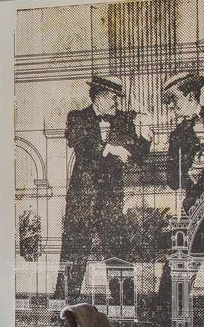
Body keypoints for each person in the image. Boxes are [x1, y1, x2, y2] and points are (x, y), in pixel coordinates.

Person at [53, 75, 150, 300]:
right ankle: (63, 304)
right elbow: (80, 141)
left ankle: (125, 302)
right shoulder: (78, 117)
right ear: (99, 96)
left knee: (118, 251)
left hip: (110, 200)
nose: (116, 103)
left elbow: (137, 156)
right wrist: (109, 148)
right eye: (114, 98)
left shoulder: (123, 121)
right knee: (74, 251)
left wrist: (146, 137)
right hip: (82, 199)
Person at [164, 73, 204, 213]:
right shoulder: (176, 135)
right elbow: (172, 181)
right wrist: (189, 174)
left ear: (191, 96)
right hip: (198, 206)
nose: (170, 105)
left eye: (173, 98)